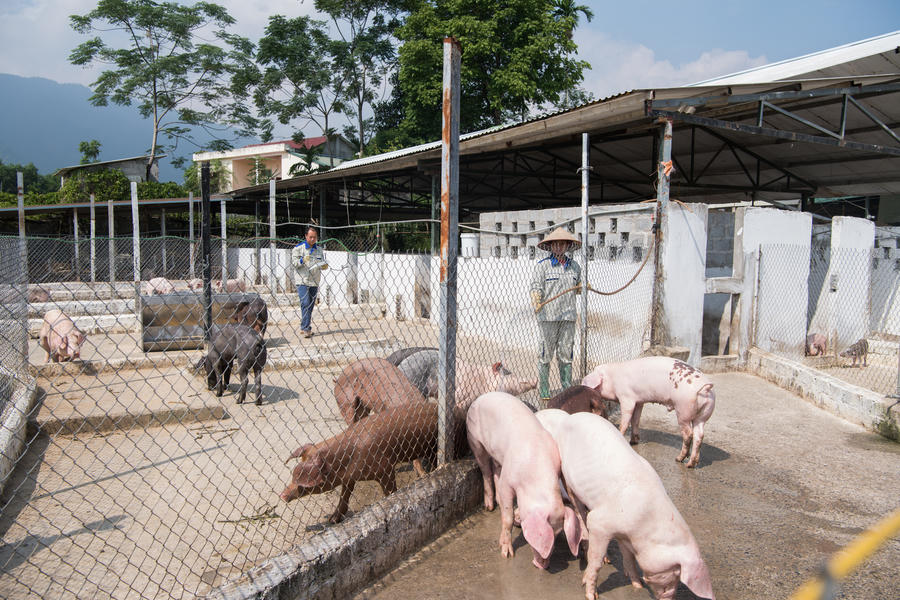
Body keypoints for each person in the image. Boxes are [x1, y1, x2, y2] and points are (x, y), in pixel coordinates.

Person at [529, 227, 582, 403]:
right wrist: (536, 298)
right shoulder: (543, 266)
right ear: (550, 246)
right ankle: (545, 391)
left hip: (568, 317)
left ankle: (566, 389)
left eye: (562, 244)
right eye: (555, 244)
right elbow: (535, 287)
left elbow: (578, 286)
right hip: (548, 318)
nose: (558, 247)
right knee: (545, 355)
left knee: (566, 354)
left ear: (567, 246)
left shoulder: (575, 267)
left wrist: (583, 286)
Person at [291, 226, 327, 338]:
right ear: (306, 236)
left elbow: (321, 262)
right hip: (302, 280)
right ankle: (306, 328)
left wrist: (324, 266)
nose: (312, 239)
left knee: (310, 305)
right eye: (310, 237)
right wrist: (302, 260)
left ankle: (304, 326)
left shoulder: (319, 250)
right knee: (305, 302)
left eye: (314, 237)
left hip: (314, 281)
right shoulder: (298, 248)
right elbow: (294, 263)